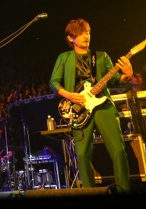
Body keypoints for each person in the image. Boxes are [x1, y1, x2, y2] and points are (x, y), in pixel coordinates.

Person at [49, 18, 134, 193]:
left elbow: (115, 80)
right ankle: (89, 192)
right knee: (82, 154)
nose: (86, 35)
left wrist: (127, 75)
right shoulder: (64, 58)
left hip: (103, 106)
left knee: (118, 151)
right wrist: (68, 95)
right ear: (70, 38)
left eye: (87, 32)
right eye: (81, 33)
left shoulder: (101, 56)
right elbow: (53, 82)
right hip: (79, 109)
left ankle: (124, 190)